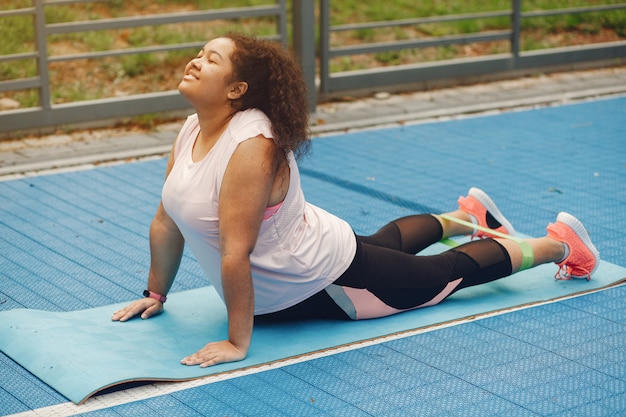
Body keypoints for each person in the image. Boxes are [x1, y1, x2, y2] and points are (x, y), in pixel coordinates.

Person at [111, 34, 600, 368]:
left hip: (318, 279)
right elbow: (166, 221)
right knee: (385, 242)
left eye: (211, 59)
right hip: (310, 249)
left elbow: (235, 251)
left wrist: (239, 342)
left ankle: (561, 246)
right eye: (200, 53)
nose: (195, 60)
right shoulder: (194, 127)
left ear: (237, 90)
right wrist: (157, 294)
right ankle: (466, 215)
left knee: (443, 276)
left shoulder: (251, 148)